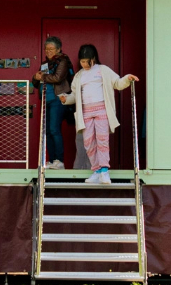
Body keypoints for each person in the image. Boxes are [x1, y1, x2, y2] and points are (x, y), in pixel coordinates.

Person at [58, 44, 138, 184]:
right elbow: (75, 95)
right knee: (88, 142)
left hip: (101, 110)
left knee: (102, 140)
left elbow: (117, 83)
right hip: (86, 113)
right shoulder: (79, 75)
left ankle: (104, 171)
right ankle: (96, 171)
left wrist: (127, 79)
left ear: (93, 59)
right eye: (82, 61)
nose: (84, 64)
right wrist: (66, 99)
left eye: (86, 61)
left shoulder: (103, 70)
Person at [33, 36, 74, 169]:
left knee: (54, 129)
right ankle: (51, 161)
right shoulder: (45, 64)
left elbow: (57, 77)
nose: (48, 51)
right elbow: (36, 82)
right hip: (46, 100)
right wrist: (35, 77)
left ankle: (59, 160)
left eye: (51, 49)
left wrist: (43, 76)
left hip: (58, 99)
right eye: (46, 49)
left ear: (58, 49)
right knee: (48, 131)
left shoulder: (62, 60)